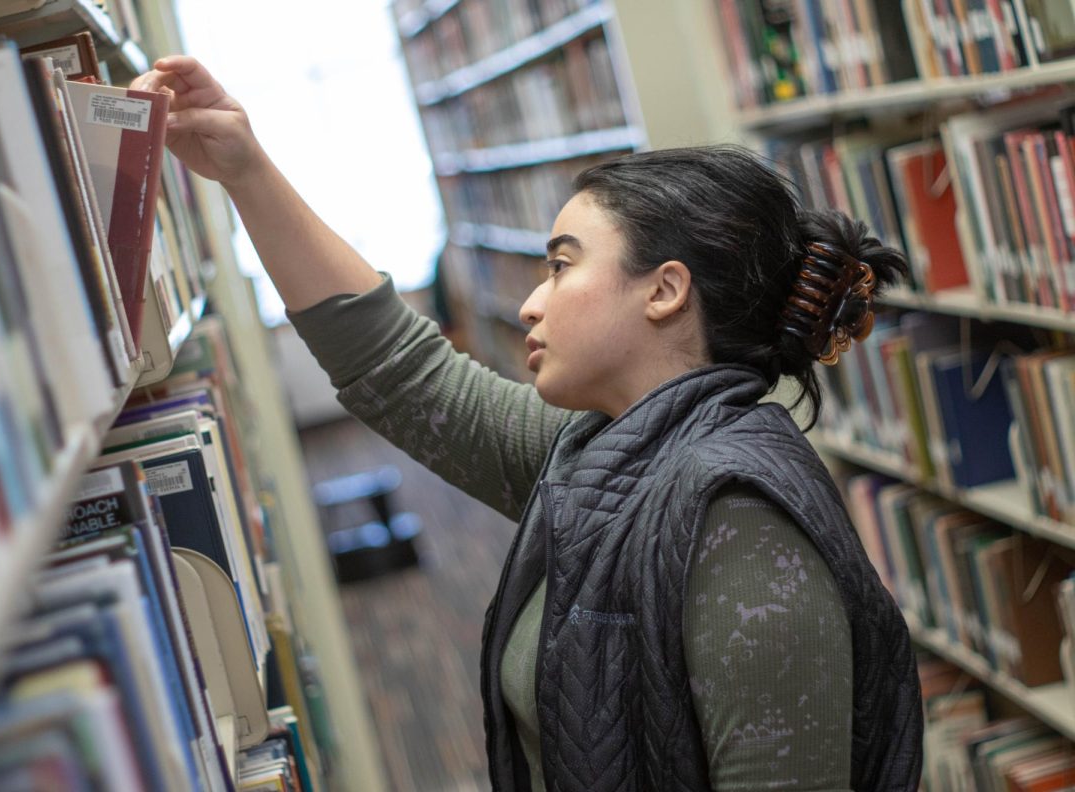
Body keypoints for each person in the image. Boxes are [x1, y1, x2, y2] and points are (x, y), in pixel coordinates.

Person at [132, 57, 924, 791]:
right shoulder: (607, 452)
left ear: (664, 291)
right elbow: (405, 377)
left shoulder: (740, 520)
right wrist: (244, 170)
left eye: (562, 264)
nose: (530, 302)